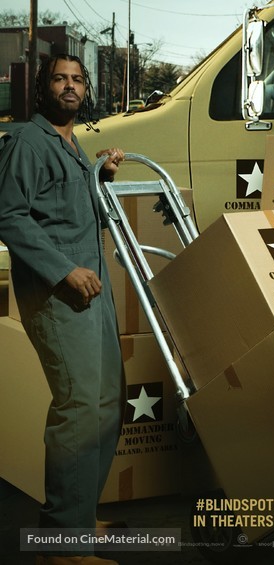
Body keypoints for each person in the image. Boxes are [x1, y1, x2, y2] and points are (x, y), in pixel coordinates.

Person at [0, 54, 126, 565]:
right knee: (77, 407)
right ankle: (62, 543)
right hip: (58, 296)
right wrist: (63, 271)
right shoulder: (27, 142)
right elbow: (8, 215)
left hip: (92, 293)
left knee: (106, 402)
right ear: (43, 88)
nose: (70, 87)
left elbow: (73, 213)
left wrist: (105, 176)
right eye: (60, 79)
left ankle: (77, 516)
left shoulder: (72, 145)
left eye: (77, 79)